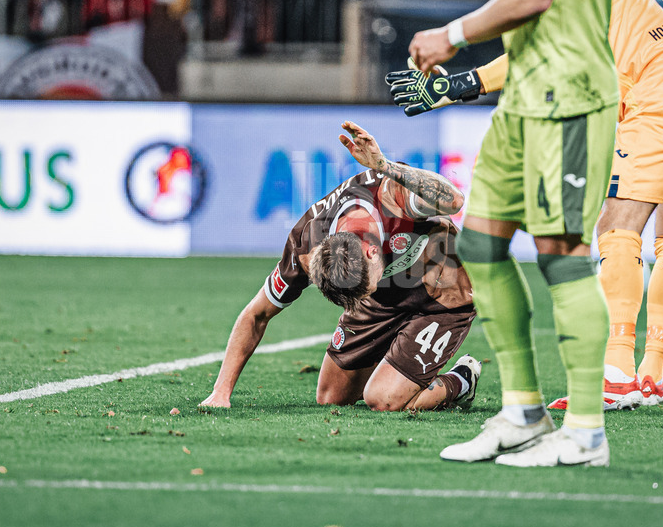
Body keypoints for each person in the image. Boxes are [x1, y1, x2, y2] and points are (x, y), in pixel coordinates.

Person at [388, 0, 663, 412]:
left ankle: (615, 372)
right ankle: (651, 373)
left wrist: (457, 85)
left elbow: (540, 58)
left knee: (617, 226)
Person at [405, 0, 618, 468]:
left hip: (569, 98)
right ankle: (523, 414)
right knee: (480, 244)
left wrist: (452, 35)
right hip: (523, 97)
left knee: (561, 254)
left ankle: (585, 432)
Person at [200, 121, 482, 413]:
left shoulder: (391, 197)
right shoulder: (306, 245)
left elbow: (455, 200)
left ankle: (461, 380)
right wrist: (221, 391)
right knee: (332, 396)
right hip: (384, 301)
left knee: (383, 399)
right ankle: (398, 364)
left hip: (442, 296)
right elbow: (256, 314)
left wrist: (384, 165)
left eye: (367, 288)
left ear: (373, 252)